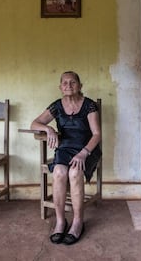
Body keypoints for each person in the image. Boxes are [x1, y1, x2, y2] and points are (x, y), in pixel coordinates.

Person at [30, 71, 102, 245]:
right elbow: (34, 124)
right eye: (65, 83)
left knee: (75, 173)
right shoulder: (57, 106)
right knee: (59, 172)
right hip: (65, 149)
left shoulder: (90, 105)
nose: (68, 85)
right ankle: (61, 221)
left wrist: (84, 152)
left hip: (87, 149)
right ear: (60, 87)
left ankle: (78, 222)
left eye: (73, 82)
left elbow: (97, 134)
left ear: (80, 85)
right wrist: (49, 129)